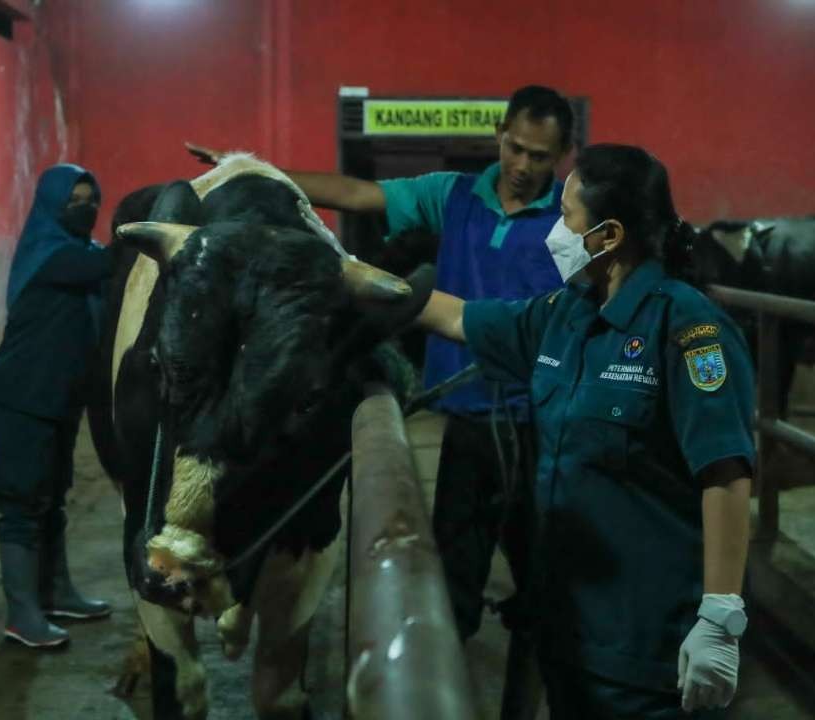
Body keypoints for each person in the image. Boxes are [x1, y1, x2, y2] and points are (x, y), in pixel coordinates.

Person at [415, 144, 755, 719]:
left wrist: (721, 618)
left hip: (647, 650)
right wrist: (341, 273)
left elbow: (726, 473)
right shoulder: (566, 313)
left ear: (608, 235)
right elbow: (455, 316)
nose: (557, 230)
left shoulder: (687, 327)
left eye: (567, 215)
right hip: (568, 631)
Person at [273, 86, 575, 652]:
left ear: (561, 158)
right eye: (515, 148)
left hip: (543, 427)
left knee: (547, 585)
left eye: (540, 156)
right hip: (466, 422)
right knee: (455, 577)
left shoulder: (573, 219)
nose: (523, 165)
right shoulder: (455, 195)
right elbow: (357, 194)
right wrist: (260, 174)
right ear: (499, 137)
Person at [0, 164, 114, 648]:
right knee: (20, 504)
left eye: (91, 198)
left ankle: (55, 593)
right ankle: (22, 615)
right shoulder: (51, 256)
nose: (86, 208)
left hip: (56, 401)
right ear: (52, 206)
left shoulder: (82, 254)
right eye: (74, 200)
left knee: (52, 500)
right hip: (20, 398)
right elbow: (107, 266)